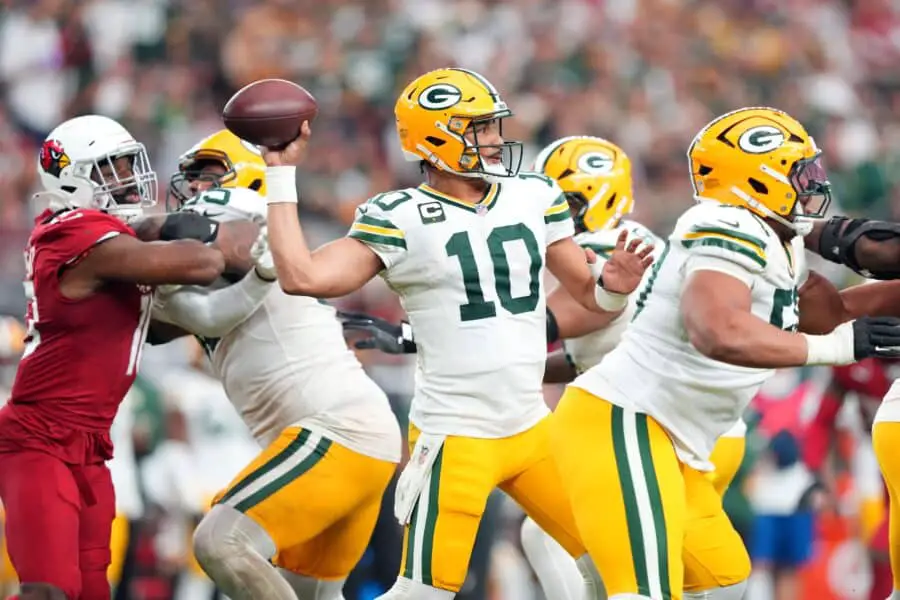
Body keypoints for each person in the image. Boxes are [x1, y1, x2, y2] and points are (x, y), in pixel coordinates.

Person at [262, 67, 653, 600]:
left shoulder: (534, 195)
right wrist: (279, 175)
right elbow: (301, 276)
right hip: (456, 436)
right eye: (479, 129)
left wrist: (615, 288)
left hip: (533, 429)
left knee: (627, 563)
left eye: (493, 127)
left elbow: (590, 296)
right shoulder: (398, 215)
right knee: (422, 594)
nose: (494, 140)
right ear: (435, 136)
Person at [548, 106, 900, 600]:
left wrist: (856, 317)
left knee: (724, 585)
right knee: (642, 591)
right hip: (624, 421)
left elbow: (829, 311)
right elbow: (715, 330)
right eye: (798, 172)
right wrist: (838, 347)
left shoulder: (779, 240)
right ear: (757, 180)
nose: (811, 184)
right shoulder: (726, 222)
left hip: (678, 445)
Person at [0, 115, 257, 600]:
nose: (126, 179)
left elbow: (152, 329)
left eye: (125, 166)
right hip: (41, 440)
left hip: (92, 444)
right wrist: (235, 233)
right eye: (110, 170)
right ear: (72, 179)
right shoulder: (74, 232)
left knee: (94, 593)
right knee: (48, 593)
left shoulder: (109, 238)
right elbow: (200, 263)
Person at [149, 129, 402, 600]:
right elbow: (157, 327)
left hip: (334, 432)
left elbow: (217, 242)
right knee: (309, 595)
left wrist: (136, 231)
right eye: (193, 180)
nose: (197, 190)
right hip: (347, 438)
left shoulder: (251, 226)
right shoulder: (221, 245)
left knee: (220, 542)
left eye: (209, 176)